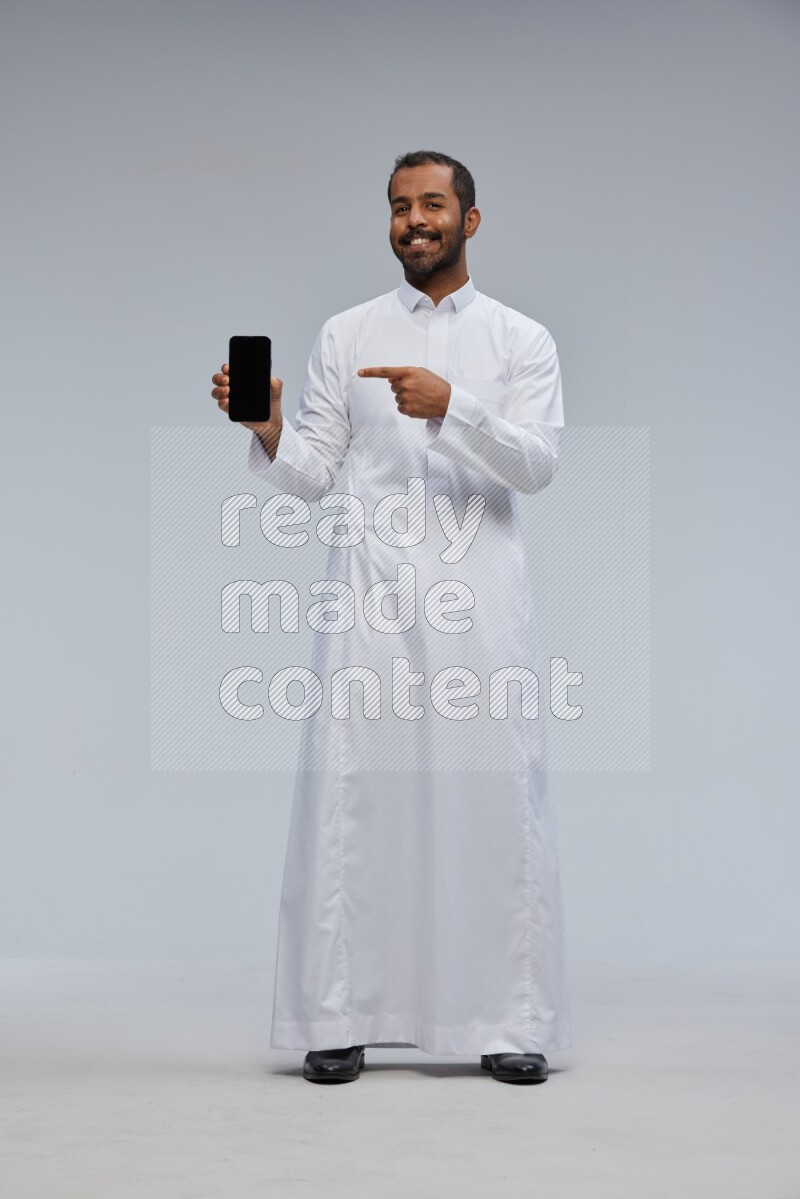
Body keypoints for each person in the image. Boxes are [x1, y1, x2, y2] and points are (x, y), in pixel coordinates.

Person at [211, 150, 571, 1085]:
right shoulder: (349, 333)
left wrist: (456, 409)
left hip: (480, 607)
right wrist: (268, 427)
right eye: (400, 206)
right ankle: (341, 1015)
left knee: (492, 801)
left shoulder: (519, 340)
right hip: (369, 601)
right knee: (354, 803)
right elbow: (309, 474)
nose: (414, 219)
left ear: (471, 220)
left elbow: (536, 464)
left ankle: (506, 1020)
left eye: (433, 204)